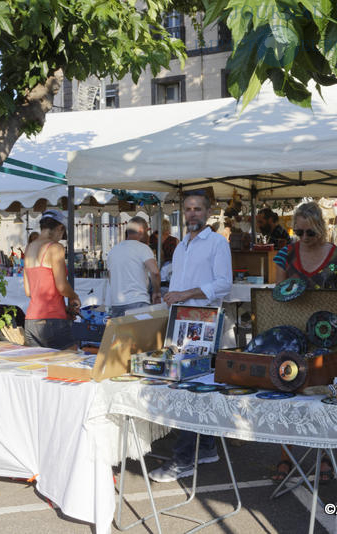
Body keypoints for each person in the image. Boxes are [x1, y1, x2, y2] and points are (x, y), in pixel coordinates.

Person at [148, 191, 232, 483]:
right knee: (193, 388)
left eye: (197, 209)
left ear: (208, 212)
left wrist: (185, 294)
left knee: (189, 389)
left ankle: (183, 460)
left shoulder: (217, 243)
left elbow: (224, 284)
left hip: (204, 324)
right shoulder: (181, 246)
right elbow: (181, 283)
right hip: (180, 324)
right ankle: (207, 447)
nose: (192, 213)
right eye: (188, 209)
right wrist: (172, 296)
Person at [270, 201, 337, 482]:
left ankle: (324, 456)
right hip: (292, 335)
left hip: (327, 334)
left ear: (320, 228)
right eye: (299, 232)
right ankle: (285, 456)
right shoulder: (285, 254)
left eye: (310, 232)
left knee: (325, 398)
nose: (304, 237)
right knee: (287, 396)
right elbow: (279, 294)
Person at [23, 210, 80, 349]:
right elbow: (62, 286)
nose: (60, 239)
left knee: (39, 362)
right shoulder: (55, 248)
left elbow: (29, 291)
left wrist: (64, 308)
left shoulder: (29, 248)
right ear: (60, 228)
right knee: (71, 358)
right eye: (62, 234)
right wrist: (74, 296)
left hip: (31, 320)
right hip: (52, 318)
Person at [107, 216, 161, 318]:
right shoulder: (143, 248)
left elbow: (110, 277)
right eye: (147, 231)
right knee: (140, 329)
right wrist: (156, 292)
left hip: (116, 304)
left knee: (122, 329)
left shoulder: (113, 250)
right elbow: (155, 272)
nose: (148, 235)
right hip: (138, 301)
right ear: (141, 231)